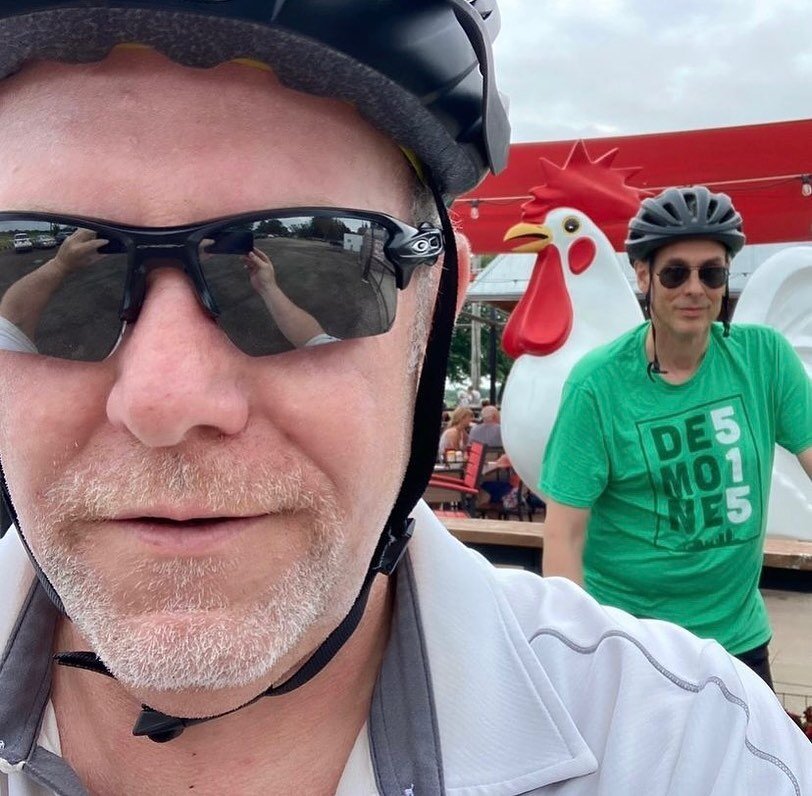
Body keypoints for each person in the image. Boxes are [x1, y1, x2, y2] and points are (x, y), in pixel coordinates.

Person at [0, 7, 808, 796]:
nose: (166, 403)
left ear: (434, 315)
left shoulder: (696, 749)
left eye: (314, 251)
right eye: (26, 263)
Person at [541, 186, 812, 689]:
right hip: (631, 643)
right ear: (643, 276)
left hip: (737, 641)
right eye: (675, 273)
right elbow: (564, 534)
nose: (695, 288)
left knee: (762, 769)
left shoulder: (763, 358)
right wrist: (572, 650)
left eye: (711, 273)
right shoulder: (597, 385)